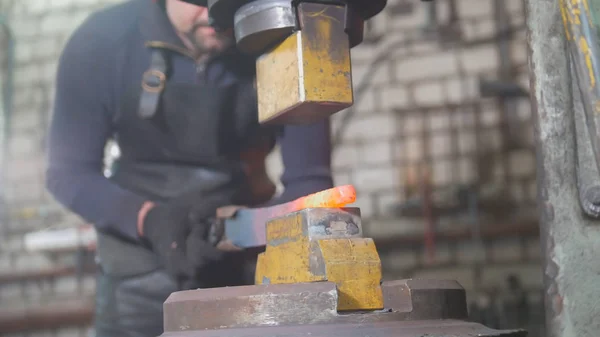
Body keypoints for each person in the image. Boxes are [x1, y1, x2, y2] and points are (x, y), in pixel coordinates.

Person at [45, 0, 333, 336]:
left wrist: (241, 231)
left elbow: (311, 186)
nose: (213, 15)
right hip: (135, 280)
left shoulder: (282, 43)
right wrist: (151, 220)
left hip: (240, 272)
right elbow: (68, 174)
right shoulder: (102, 42)